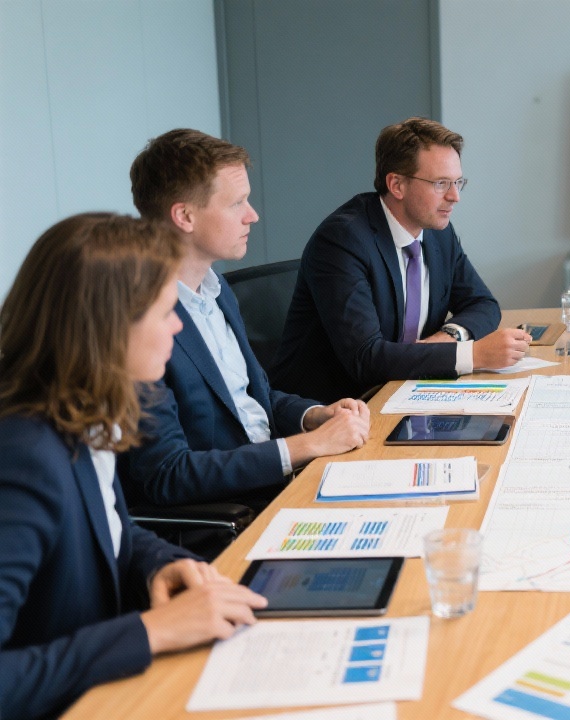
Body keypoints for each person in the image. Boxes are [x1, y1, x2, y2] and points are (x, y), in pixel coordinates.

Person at [0, 214, 267, 718]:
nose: (178, 326)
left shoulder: (83, 416)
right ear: (108, 325)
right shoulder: (25, 457)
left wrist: (164, 563)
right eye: (166, 311)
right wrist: (151, 631)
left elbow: (113, 530)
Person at [121, 129, 371, 516]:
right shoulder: (140, 324)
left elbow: (255, 397)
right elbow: (167, 474)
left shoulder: (216, 288)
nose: (252, 215)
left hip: (281, 481)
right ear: (184, 215)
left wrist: (315, 416)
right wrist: (309, 446)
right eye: (237, 202)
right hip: (233, 514)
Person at [270, 117, 530, 403]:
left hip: (408, 392)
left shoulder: (437, 232)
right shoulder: (343, 240)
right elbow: (366, 358)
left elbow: (483, 304)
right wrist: (473, 354)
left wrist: (450, 337)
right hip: (335, 408)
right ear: (396, 185)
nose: (455, 196)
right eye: (441, 183)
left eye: (458, 182)